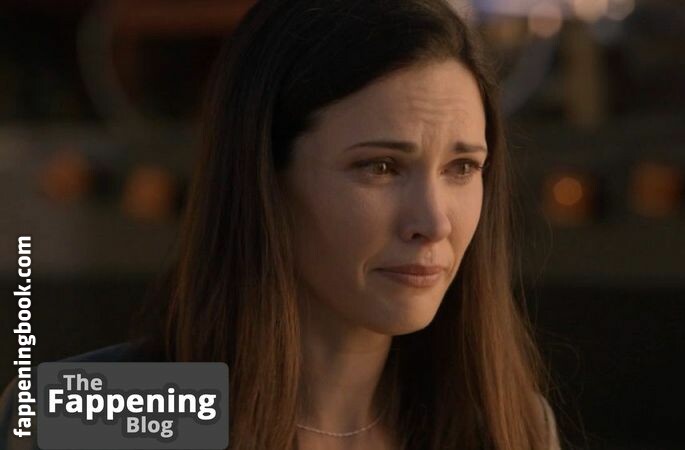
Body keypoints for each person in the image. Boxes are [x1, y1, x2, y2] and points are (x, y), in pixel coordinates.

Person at [1, 1, 561, 449]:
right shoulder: (99, 416)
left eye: (462, 167)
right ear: (265, 176)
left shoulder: (508, 425)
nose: (433, 221)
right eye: (381, 167)